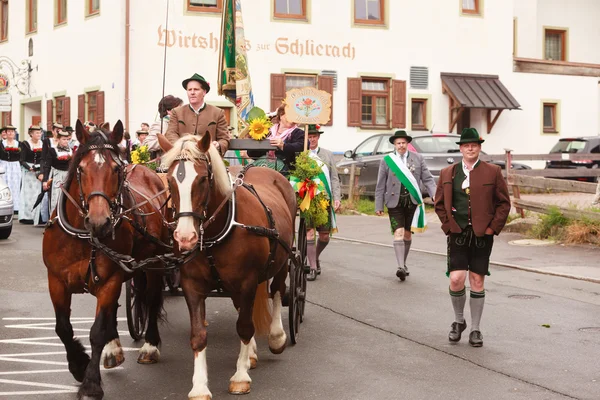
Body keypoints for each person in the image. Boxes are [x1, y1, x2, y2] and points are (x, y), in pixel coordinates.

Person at [434, 128, 511, 348]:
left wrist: (492, 229)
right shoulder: (447, 172)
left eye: (474, 145)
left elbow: (504, 204)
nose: (470, 148)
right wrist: (448, 227)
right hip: (457, 234)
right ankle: (459, 321)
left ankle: (476, 329)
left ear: (479, 147)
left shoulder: (492, 171)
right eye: (466, 145)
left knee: (477, 280)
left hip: (482, 234)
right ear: (460, 148)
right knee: (456, 279)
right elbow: (439, 203)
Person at [375, 130, 437, 281]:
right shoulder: (387, 160)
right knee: (398, 232)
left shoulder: (418, 158)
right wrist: (379, 205)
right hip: (393, 202)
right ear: (394, 145)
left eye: (403, 143)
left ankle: (404, 262)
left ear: (407, 143)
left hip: (412, 202)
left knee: (407, 234)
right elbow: (380, 185)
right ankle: (400, 267)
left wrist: (434, 194)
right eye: (398, 143)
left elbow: (427, 179)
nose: (401, 145)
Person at [304, 124, 341, 281]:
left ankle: (316, 256)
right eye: (309, 137)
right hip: (308, 199)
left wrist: (337, 197)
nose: (312, 139)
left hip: (325, 199)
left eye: (314, 137)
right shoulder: (302, 155)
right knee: (309, 232)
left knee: (324, 236)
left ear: (318, 137)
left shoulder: (328, 155)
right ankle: (312, 267)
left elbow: (334, 177)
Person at [165, 73, 230, 155]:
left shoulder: (218, 113)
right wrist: (181, 146)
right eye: (189, 90)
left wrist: (218, 145)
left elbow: (224, 139)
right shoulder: (176, 112)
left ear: (204, 92)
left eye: (196, 89)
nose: (192, 92)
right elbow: (171, 134)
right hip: (182, 156)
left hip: (208, 159)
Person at [247, 103, 304, 175]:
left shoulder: (298, 132)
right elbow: (251, 153)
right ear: (281, 115)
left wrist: (284, 146)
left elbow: (303, 145)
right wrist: (256, 140)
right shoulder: (266, 130)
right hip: (262, 166)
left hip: (285, 171)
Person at [42, 130, 73, 217]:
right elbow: (47, 166)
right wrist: (45, 180)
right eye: (64, 139)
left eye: (67, 139)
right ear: (58, 140)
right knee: (55, 198)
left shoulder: (71, 150)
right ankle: (53, 218)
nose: (66, 141)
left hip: (68, 176)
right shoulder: (52, 150)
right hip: (57, 176)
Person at [19, 125, 45, 225]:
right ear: (31, 134)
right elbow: (21, 160)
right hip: (28, 171)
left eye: (40, 132)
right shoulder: (25, 144)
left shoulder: (43, 144)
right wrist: (29, 168)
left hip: (39, 170)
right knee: (27, 193)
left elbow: (44, 158)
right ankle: (27, 216)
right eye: (37, 133)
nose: (39, 134)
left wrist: (41, 169)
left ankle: (36, 215)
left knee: (37, 192)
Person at [145, 95, 184, 160]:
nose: (182, 111)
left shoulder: (181, 124)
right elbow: (147, 145)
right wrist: (165, 141)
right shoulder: (160, 124)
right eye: (179, 109)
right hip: (165, 165)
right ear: (169, 111)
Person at [0, 125, 22, 214]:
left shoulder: (18, 143)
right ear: (5, 133)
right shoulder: (1, 144)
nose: (10, 133)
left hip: (15, 165)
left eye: (12, 132)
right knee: (5, 183)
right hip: (4, 164)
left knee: (16, 185)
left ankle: (16, 206)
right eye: (8, 131)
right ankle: (5, 204)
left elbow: (21, 156)